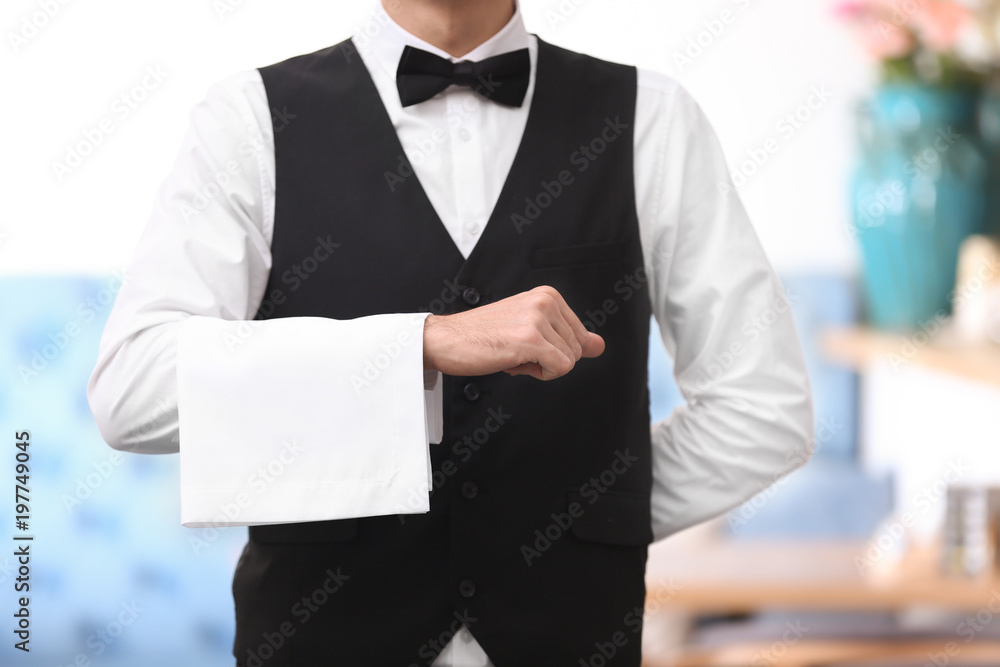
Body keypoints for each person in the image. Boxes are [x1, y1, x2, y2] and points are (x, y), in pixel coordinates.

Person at [87, 0, 814, 664]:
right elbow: (132, 391)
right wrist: (421, 346)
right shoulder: (247, 119)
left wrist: (585, 511)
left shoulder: (653, 119)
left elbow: (764, 407)